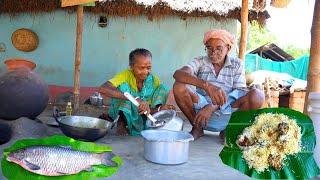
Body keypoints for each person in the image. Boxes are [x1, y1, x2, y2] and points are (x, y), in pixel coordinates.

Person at [173, 29, 264, 140]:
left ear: (228, 48)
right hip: (200, 112)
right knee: (179, 86)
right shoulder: (200, 61)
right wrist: (207, 86)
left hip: (227, 111)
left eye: (219, 48)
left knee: (258, 95)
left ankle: (229, 130)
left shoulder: (237, 64)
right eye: (209, 48)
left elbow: (239, 93)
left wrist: (213, 106)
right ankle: (197, 128)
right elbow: (178, 74)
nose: (213, 52)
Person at [99, 48, 175, 136]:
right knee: (124, 87)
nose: (146, 71)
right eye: (141, 68)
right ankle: (122, 123)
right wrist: (134, 98)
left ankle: (155, 119)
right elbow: (103, 89)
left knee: (163, 88)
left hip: (143, 114)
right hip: (123, 112)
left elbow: (148, 108)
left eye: (148, 68)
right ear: (131, 66)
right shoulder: (125, 75)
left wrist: (159, 109)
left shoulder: (154, 81)